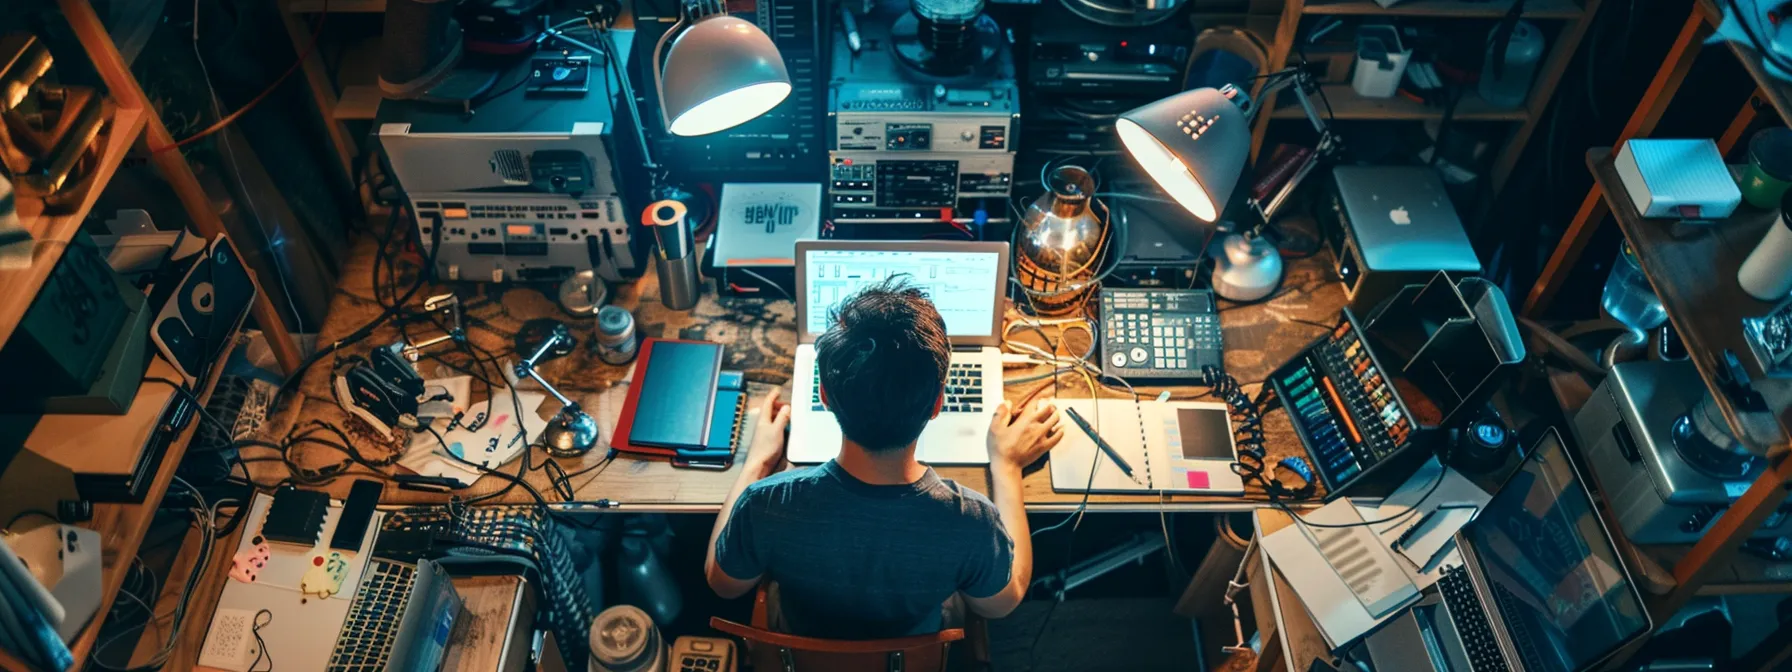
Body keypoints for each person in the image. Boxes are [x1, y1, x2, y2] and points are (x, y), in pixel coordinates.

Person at [704, 277, 1065, 640]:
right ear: (938, 402)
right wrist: (1007, 465)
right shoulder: (971, 522)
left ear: (824, 395)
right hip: (907, 653)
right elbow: (1000, 604)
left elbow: (724, 585)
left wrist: (757, 463)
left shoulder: (766, 504)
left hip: (800, 649)